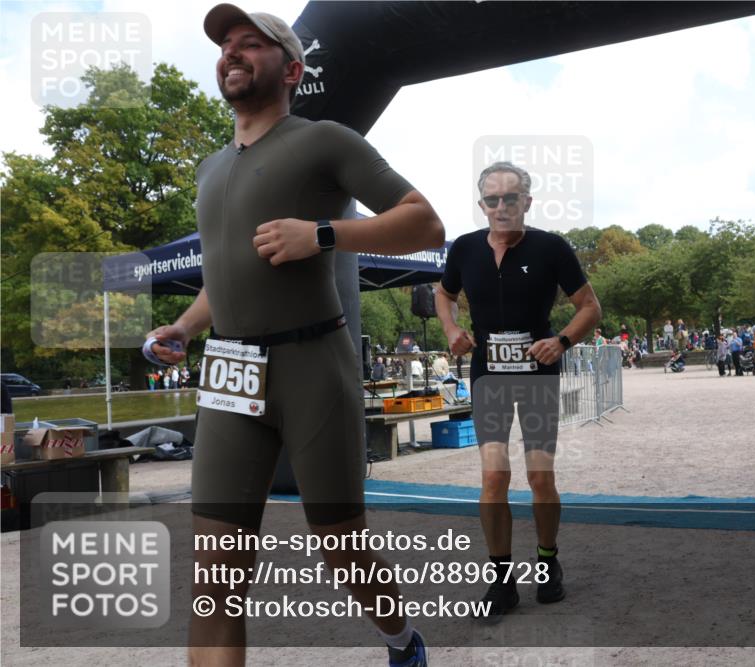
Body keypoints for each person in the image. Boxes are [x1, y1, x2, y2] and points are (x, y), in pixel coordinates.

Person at [145, 6, 443, 665]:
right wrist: (186, 324)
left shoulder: (323, 141)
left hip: (314, 364)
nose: (233, 52)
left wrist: (323, 235)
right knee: (215, 572)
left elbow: (426, 223)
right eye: (227, 44)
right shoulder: (209, 168)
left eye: (252, 44)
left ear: (293, 68)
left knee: (340, 544)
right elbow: (226, 271)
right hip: (230, 373)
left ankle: (402, 641)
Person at [434, 161, 602, 623]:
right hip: (489, 372)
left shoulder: (551, 248)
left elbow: (590, 307)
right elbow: (443, 294)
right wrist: (451, 329)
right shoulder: (465, 249)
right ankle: (502, 579)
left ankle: (547, 561)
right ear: (482, 204)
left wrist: (562, 340)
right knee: (493, 477)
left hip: (536, 372)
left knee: (539, 476)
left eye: (511, 199)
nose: (502, 207)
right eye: (493, 199)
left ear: (527, 202)